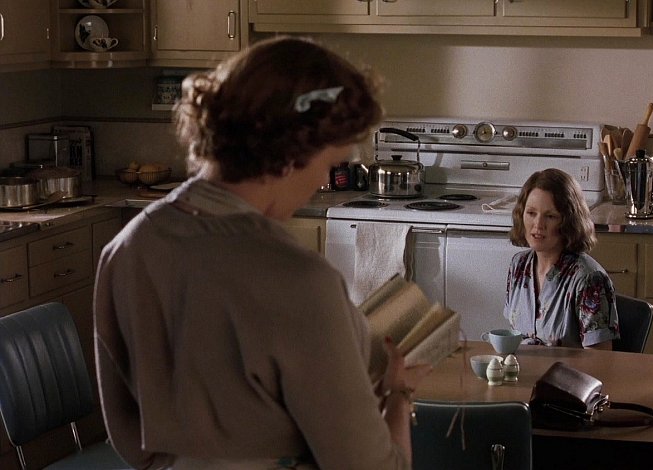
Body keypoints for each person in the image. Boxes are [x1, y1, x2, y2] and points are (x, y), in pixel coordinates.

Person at [94, 36, 430, 470]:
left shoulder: (127, 247)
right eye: (329, 165)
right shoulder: (299, 279)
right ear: (291, 154)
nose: (323, 182)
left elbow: (127, 434)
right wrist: (398, 395)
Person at [503, 168, 619, 349]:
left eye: (550, 216)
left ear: (568, 221)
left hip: (569, 369)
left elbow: (600, 360)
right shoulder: (519, 266)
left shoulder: (588, 278)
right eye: (531, 213)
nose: (538, 225)